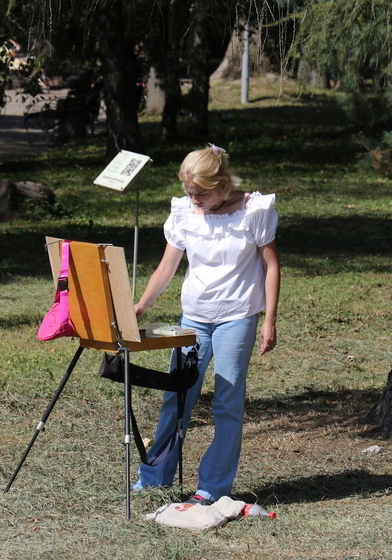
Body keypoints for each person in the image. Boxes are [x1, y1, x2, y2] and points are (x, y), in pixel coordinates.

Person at [131, 144, 280, 505]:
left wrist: (269, 320)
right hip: (194, 318)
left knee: (227, 403)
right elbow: (166, 267)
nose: (194, 199)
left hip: (237, 317)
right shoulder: (184, 211)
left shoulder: (254, 211)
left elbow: (271, 266)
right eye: (189, 192)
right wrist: (141, 306)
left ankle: (212, 487)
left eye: (201, 193)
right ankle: (153, 477)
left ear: (223, 185)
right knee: (176, 397)